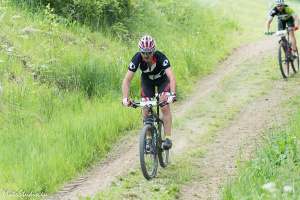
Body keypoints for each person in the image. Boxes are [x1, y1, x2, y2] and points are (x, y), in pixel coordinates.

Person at [122, 35, 176, 150]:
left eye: (149, 53)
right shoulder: (137, 58)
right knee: (145, 108)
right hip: (147, 81)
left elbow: (171, 77)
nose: (146, 56)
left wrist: (172, 94)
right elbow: (127, 80)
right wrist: (125, 99)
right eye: (143, 53)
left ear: (153, 51)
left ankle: (167, 138)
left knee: (164, 106)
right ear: (140, 51)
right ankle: (148, 139)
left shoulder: (161, 57)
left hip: (162, 80)